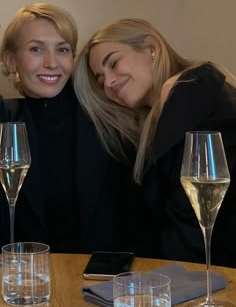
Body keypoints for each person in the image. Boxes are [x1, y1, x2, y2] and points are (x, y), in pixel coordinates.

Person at [74, 17, 236, 267]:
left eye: (114, 63)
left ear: (152, 48)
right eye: (100, 79)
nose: (108, 82)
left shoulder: (189, 90)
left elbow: (189, 223)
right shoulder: (165, 112)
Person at [0, 5, 141, 254]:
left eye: (62, 50)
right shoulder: (5, 121)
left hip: (101, 283)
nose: (52, 63)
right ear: (11, 59)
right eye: (36, 49)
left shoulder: (110, 121)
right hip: (21, 283)